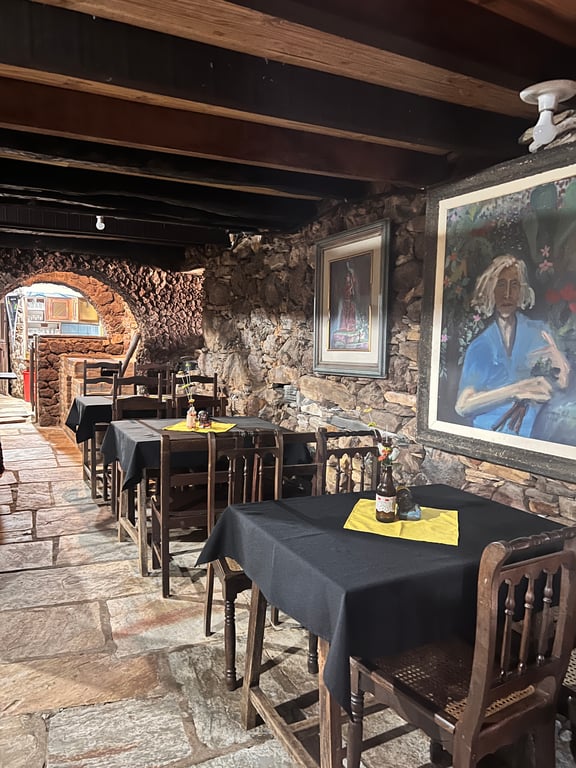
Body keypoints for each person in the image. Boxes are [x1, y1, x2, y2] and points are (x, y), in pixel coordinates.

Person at [456, 253, 570, 437]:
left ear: (521, 291)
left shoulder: (538, 332)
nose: (507, 294)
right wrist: (517, 390)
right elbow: (463, 406)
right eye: (501, 284)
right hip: (489, 434)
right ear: (491, 290)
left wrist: (561, 367)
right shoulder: (482, 345)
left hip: (533, 435)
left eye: (514, 285)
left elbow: (561, 384)